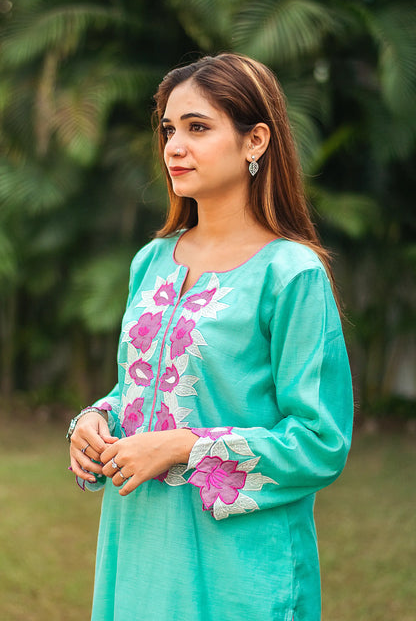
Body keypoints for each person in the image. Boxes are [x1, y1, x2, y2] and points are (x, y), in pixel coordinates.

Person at [67, 53, 353, 621]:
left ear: (256, 140)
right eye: (169, 130)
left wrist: (185, 447)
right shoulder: (151, 261)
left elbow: (320, 439)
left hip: (240, 571)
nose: (174, 146)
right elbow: (141, 391)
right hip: (139, 545)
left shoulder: (291, 273)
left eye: (198, 128)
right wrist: (94, 422)